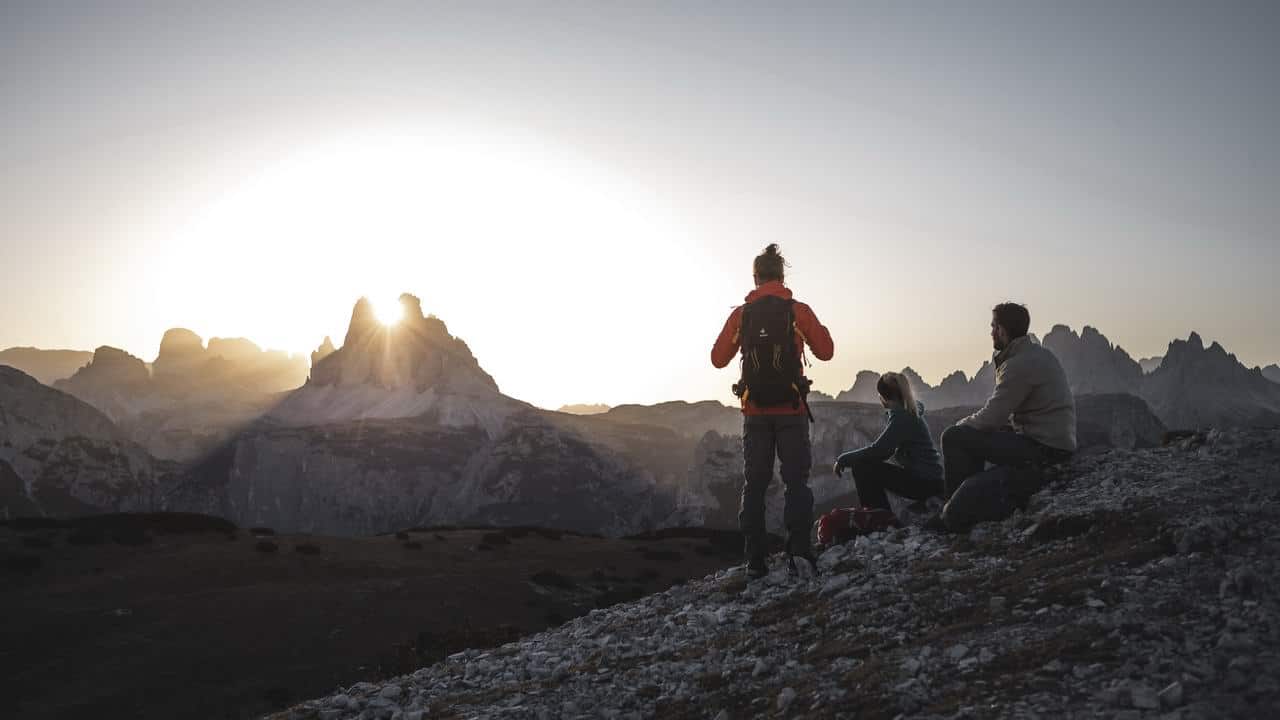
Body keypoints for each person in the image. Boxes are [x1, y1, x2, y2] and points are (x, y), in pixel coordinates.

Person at [711, 244, 834, 578]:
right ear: (782, 276)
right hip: (791, 409)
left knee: (755, 484)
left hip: (755, 411)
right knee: (796, 482)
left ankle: (755, 560)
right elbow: (826, 351)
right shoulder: (798, 311)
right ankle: (800, 553)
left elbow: (718, 358)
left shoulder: (742, 315)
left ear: (755, 277)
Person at [935, 302, 1076, 532]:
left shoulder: (1019, 364)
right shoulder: (1037, 354)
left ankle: (951, 514)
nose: (990, 332)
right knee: (974, 436)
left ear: (1002, 330)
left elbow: (992, 417)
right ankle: (956, 505)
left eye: (993, 326)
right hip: (1050, 442)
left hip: (1043, 449)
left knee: (953, 437)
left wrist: (962, 427)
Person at [833, 372, 944, 514]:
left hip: (926, 483)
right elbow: (885, 451)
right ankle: (880, 517)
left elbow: (879, 451)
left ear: (883, 397)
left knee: (862, 467)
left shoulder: (902, 416)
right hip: (930, 479)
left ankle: (879, 519)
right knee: (866, 465)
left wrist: (843, 459)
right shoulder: (907, 410)